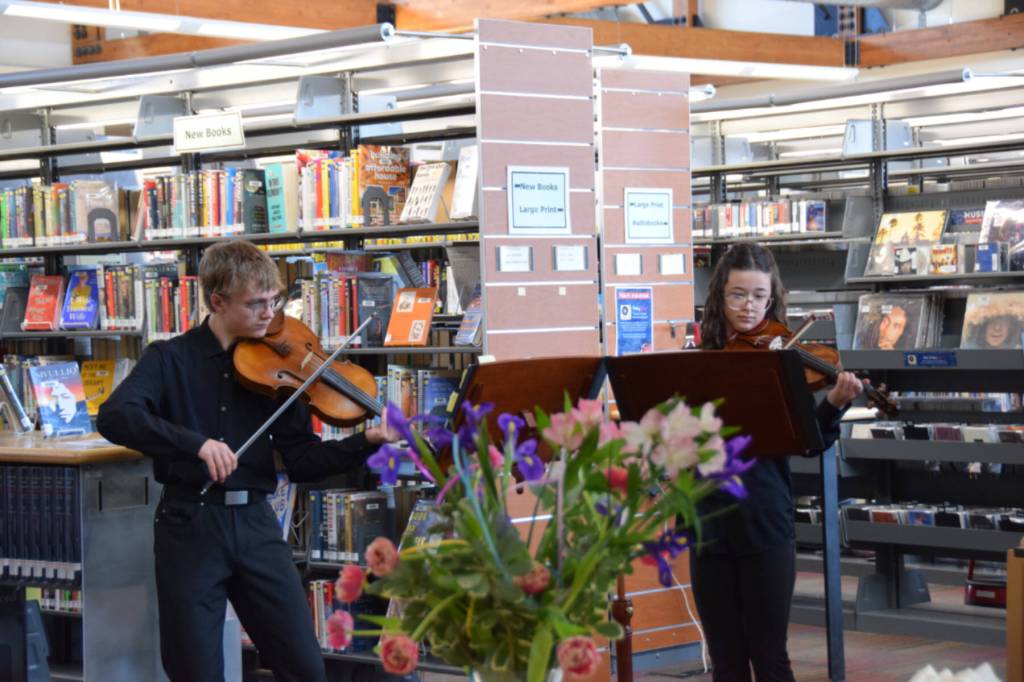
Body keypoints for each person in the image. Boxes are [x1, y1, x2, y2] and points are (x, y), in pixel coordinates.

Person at [97, 241, 398, 682]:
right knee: (195, 670)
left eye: (273, 301)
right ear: (217, 301)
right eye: (255, 303)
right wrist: (195, 444)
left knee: (304, 665)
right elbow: (116, 416)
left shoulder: (280, 362)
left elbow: (302, 460)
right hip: (190, 525)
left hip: (256, 524)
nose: (269, 313)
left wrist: (366, 442)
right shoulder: (169, 358)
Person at [695, 243, 863, 681]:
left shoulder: (782, 360)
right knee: (726, 658)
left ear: (772, 300)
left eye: (758, 297)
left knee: (770, 656)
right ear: (719, 297)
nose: (748, 307)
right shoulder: (697, 363)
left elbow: (807, 443)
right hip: (708, 524)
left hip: (765, 521)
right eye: (737, 295)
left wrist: (832, 404)